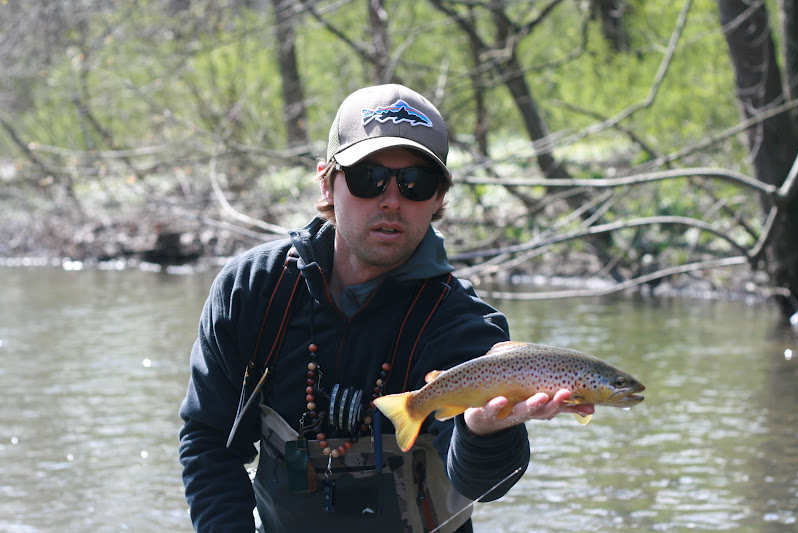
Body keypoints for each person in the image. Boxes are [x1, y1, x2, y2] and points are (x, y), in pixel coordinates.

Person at [179, 84, 594, 533]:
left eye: (416, 182)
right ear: (327, 181)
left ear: (438, 198)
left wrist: (484, 431)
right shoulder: (254, 290)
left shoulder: (462, 324)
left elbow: (489, 483)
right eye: (368, 177)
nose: (392, 200)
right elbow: (210, 442)